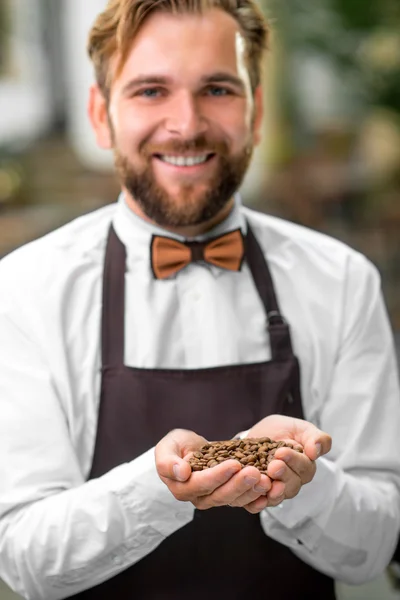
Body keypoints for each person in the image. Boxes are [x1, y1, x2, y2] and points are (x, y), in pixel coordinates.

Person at [0, 1, 399, 598]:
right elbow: (23, 559)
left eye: (217, 88)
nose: (185, 124)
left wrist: (305, 486)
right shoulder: (25, 289)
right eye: (150, 91)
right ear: (101, 115)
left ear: (257, 112)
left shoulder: (342, 280)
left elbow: (376, 546)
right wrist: (155, 487)